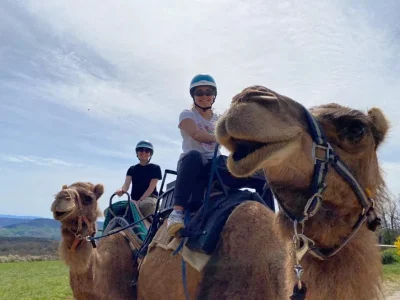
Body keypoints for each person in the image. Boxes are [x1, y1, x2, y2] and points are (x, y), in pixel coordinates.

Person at [116, 140, 162, 218]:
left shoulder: (155, 168)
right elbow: (126, 185)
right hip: (134, 201)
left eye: (147, 150)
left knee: (145, 205)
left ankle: (152, 228)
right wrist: (121, 191)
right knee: (116, 209)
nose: (144, 152)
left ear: (150, 154)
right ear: (137, 153)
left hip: (150, 199)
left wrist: (140, 201)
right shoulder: (132, 169)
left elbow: (151, 188)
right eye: (141, 150)